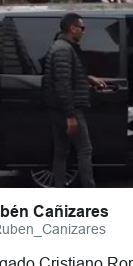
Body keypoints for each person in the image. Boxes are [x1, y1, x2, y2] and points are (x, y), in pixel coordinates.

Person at [42, 13, 106, 188]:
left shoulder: (60, 46)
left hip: (57, 109)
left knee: (61, 151)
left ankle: (60, 188)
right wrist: (70, 115)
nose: (84, 32)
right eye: (82, 28)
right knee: (84, 150)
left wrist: (87, 78)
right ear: (73, 28)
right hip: (68, 110)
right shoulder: (64, 49)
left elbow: (67, 74)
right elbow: (63, 84)